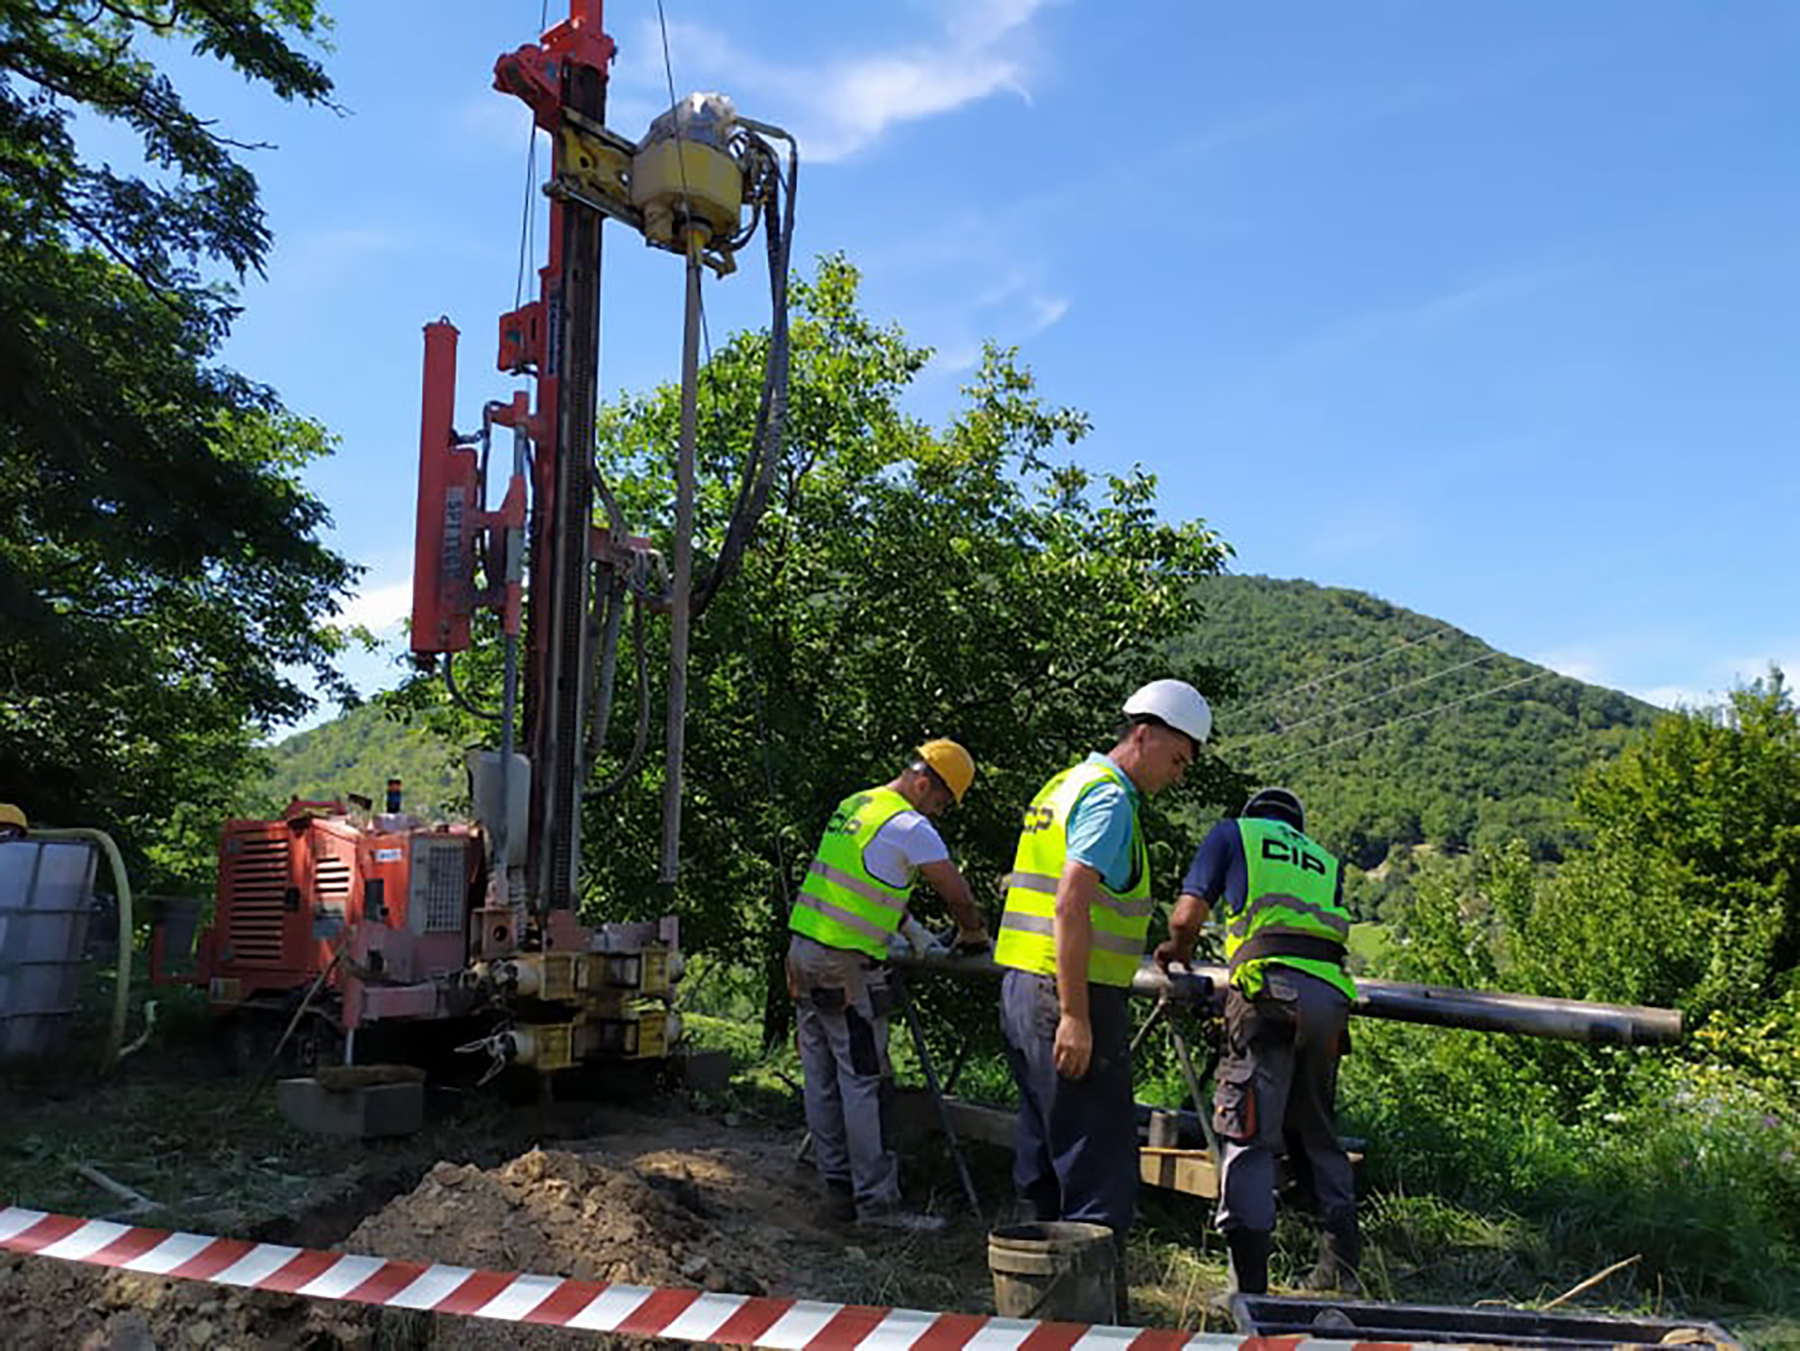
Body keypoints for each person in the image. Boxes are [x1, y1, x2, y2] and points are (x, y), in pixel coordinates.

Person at [993, 679, 1213, 1276]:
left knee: (1043, 1149)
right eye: (1176, 759)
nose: (1178, 775)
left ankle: (1036, 1299)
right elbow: (1070, 902)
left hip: (1021, 983)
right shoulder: (1110, 799)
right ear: (1143, 735)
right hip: (1068, 993)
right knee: (1098, 1159)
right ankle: (1092, 1313)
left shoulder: (1063, 786)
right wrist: (1076, 1014)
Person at [1160, 786, 1360, 1296]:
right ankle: (1340, 1266)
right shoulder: (1323, 860)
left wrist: (1176, 950)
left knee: (1247, 1136)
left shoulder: (1234, 834)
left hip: (1269, 996)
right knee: (1317, 1130)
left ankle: (1248, 1286)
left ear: (1254, 816)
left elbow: (1186, 917)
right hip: (1330, 1004)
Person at [787, 739, 991, 1232]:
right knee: (862, 1082)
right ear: (924, 783)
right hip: (845, 964)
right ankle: (876, 1204)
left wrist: (912, 930)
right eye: (942, 802)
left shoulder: (857, 804)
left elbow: (859, 884)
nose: (939, 813)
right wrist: (972, 935)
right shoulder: (909, 826)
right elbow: (958, 895)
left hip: (804, 953)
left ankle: (836, 1191)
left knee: (822, 1079)